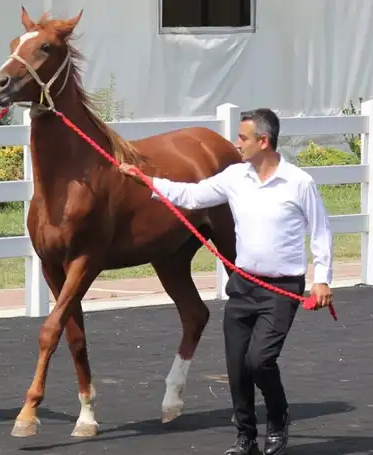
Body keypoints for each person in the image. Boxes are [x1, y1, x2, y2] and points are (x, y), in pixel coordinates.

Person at [120, 108, 334, 455]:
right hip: (243, 286)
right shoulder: (235, 177)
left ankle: (278, 417)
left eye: (243, 138)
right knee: (236, 367)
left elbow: (321, 230)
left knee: (259, 361)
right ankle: (246, 438)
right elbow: (192, 195)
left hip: (280, 290)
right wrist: (145, 181)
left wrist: (321, 279)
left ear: (264, 142)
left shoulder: (299, 182)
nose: (237, 144)